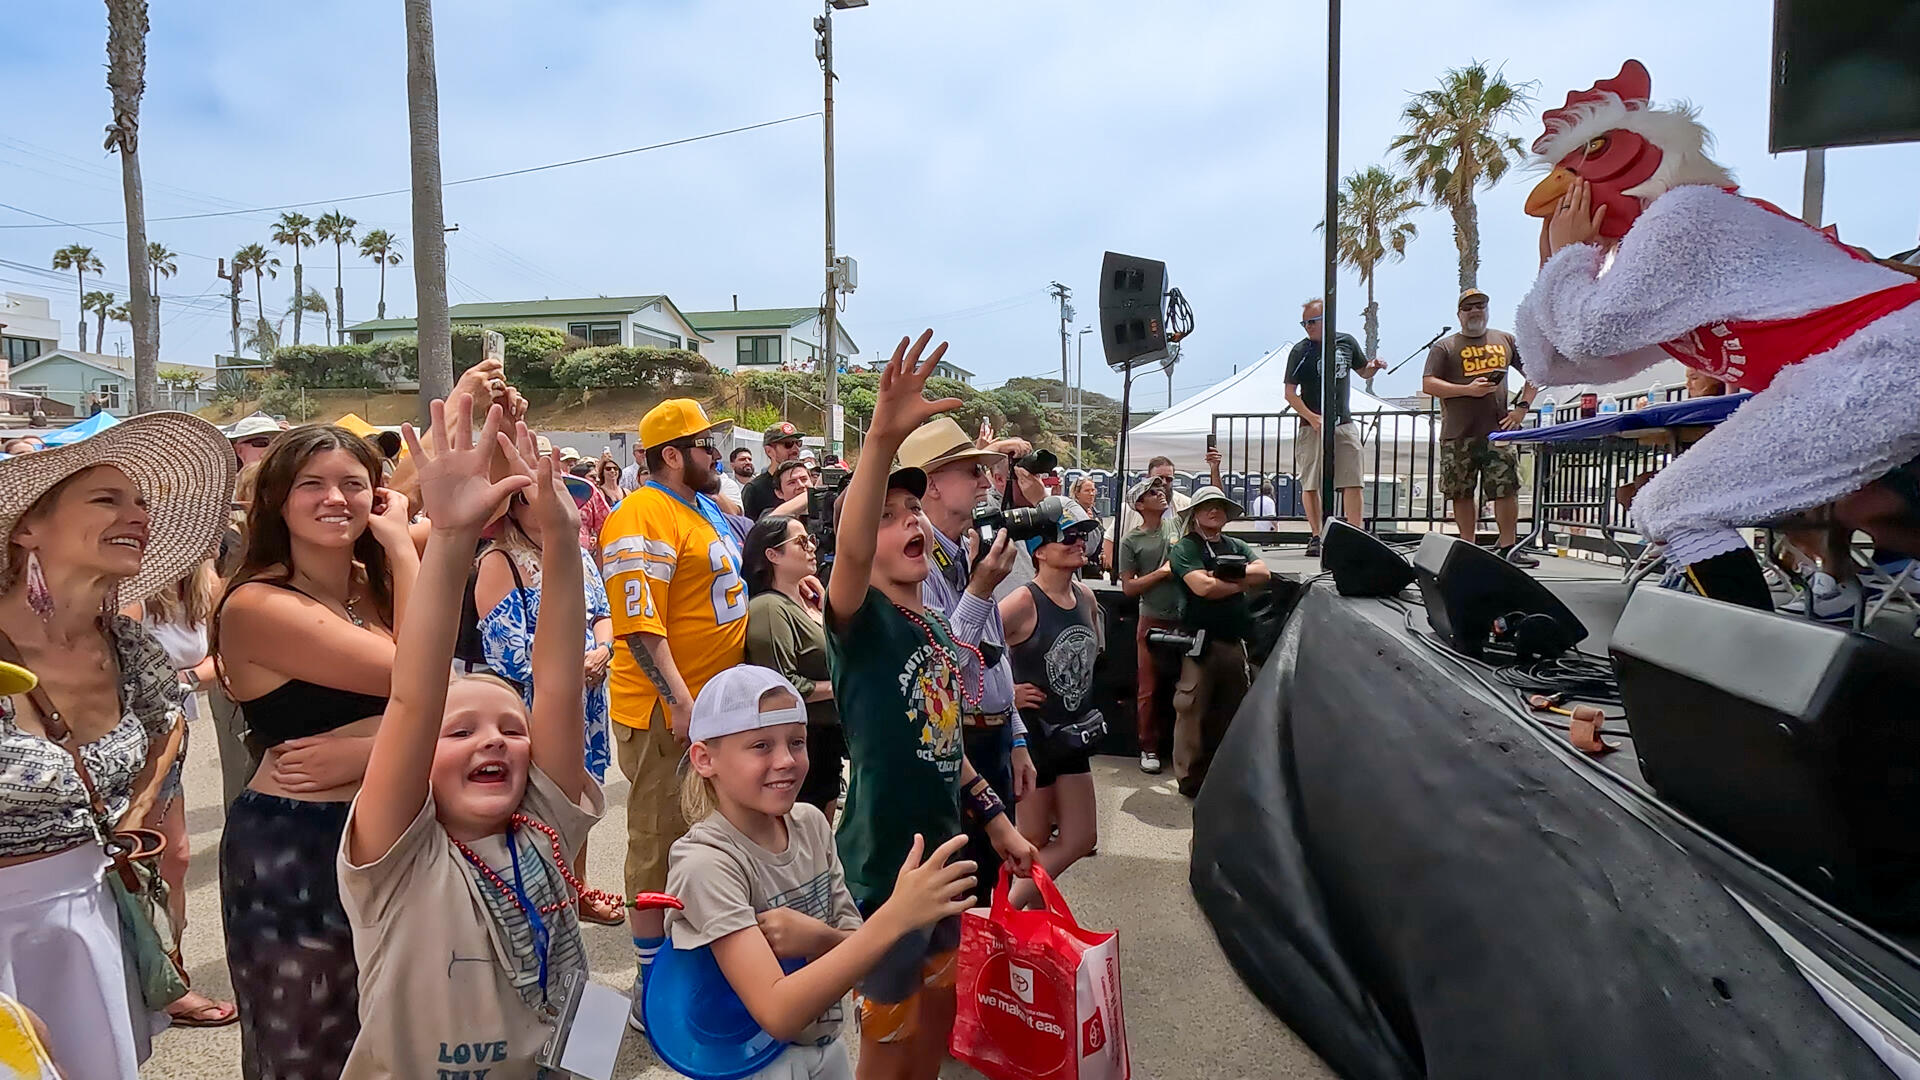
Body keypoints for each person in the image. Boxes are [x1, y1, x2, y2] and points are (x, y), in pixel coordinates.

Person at [339, 399, 618, 1079]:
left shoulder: (544, 829)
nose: (493, 740)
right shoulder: (395, 857)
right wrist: (454, 537)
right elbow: (412, 694)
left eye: (509, 730)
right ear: (419, 760)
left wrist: (560, 537)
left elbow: (554, 684)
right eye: (460, 730)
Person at [823, 330, 1037, 1079]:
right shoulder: (862, 623)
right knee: (887, 1042)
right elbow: (850, 555)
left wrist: (1000, 823)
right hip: (886, 878)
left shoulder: (935, 630)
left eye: (912, 508)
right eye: (886, 515)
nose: (909, 521)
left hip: (947, 866)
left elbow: (945, 750)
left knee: (936, 1035)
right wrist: (881, 435)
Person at [0, 411, 233, 1077]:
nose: (137, 515)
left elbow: (171, 724)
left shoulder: (128, 648)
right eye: (107, 499)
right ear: (26, 529)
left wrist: (140, 808)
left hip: (90, 923)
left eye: (142, 503)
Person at [214, 424, 415, 1080]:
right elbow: (418, 679)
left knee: (402, 1032)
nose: (337, 498)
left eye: (354, 484)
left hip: (391, 834)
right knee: (308, 1044)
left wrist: (369, 752)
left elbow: (453, 708)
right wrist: (407, 554)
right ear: (275, 499)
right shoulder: (258, 605)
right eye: (312, 485)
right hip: (299, 849)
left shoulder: (369, 580)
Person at [667, 666, 978, 1080]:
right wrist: (895, 917)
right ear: (705, 759)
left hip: (824, 1044)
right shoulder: (706, 862)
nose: (786, 761)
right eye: (760, 745)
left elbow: (861, 957)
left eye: (797, 742)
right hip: (748, 1063)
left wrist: (820, 938)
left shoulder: (810, 823)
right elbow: (779, 1012)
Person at [598, 397, 750, 1030]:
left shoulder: (702, 506)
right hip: (668, 713)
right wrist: (681, 702)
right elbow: (638, 624)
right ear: (672, 454)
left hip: (714, 705)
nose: (714, 454)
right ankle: (650, 975)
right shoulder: (641, 513)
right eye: (704, 445)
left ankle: (698, 954)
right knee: (659, 840)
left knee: (709, 836)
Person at [896, 413, 1038, 906]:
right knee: (963, 897)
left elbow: (993, 653)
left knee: (992, 888)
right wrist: (979, 589)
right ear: (931, 484)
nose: (984, 481)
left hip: (990, 735)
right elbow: (938, 669)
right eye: (971, 471)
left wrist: (1016, 735)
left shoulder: (962, 550)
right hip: (959, 742)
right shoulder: (912, 560)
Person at [475, 467, 621, 925]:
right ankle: (546, 896)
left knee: (582, 793)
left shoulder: (578, 555)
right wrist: (572, 668)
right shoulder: (501, 562)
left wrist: (603, 648)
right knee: (540, 801)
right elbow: (507, 652)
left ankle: (576, 888)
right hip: (537, 704)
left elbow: (602, 612)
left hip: (587, 697)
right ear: (515, 507)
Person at [122, 557, 240, 1028]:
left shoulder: (199, 579)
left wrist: (184, 679)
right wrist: (187, 677)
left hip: (168, 735)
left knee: (175, 858)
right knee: (140, 860)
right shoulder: (129, 587)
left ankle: (168, 975)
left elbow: (224, 655)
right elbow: (122, 669)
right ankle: (155, 982)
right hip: (124, 741)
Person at [1001, 518, 1103, 908]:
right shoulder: (1022, 602)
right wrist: (1007, 692)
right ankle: (1009, 917)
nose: (1078, 543)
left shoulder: (1087, 598)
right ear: (1040, 551)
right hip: (1033, 738)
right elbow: (965, 651)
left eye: (1081, 537)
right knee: (1034, 842)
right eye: (1067, 538)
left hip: (1073, 733)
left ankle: (1013, 915)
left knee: (1081, 838)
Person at [1423, 288, 1540, 566]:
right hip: (1457, 432)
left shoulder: (1506, 340)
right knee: (1461, 491)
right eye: (1468, 307)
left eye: (1480, 305)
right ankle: (1468, 547)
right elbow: (1429, 383)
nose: (1475, 311)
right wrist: (1466, 390)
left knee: (1505, 488)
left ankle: (1508, 546)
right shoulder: (1445, 347)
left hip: (1499, 430)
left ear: (1487, 309)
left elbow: (1535, 373)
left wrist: (1521, 408)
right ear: (1459, 313)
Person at [1168, 486, 1270, 798]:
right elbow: (1202, 588)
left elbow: (1263, 573)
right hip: (1199, 642)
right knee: (1192, 711)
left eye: (1219, 506)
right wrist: (1240, 583)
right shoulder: (1185, 548)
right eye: (1207, 506)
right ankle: (1189, 780)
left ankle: (1224, 775)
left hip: (1233, 642)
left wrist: (1221, 578)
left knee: (1232, 709)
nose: (1214, 511)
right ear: (1195, 514)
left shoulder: (1236, 544)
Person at [743, 515, 844, 819]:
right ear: (772, 555)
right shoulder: (769, 609)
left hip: (827, 738)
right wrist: (842, 686)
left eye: (811, 539)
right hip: (802, 738)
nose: (811, 547)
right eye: (800, 542)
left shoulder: (810, 600)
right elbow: (782, 685)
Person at [1284, 298, 1384, 557]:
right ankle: (1316, 534)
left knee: (1353, 478)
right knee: (1310, 481)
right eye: (1304, 323)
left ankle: (1355, 533)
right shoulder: (1300, 351)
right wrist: (1312, 417)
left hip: (1344, 422)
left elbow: (1363, 372)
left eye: (1312, 322)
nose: (1308, 327)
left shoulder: (1346, 342)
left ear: (1326, 320)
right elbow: (1290, 393)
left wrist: (1374, 366)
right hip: (1311, 425)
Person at [1117, 478, 1184, 774]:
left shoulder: (1177, 525)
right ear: (1140, 504)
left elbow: (1212, 502)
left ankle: (1182, 749)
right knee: (1150, 687)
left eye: (1161, 491)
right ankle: (1149, 747)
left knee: (1188, 685)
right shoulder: (1131, 541)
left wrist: (1215, 469)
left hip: (1184, 616)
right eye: (1152, 493)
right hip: (1152, 618)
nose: (1161, 495)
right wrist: (1162, 573)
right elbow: (1129, 588)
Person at [744, 422, 808, 520]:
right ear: (769, 451)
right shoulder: (754, 489)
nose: (795, 449)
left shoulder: (807, 481)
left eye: (798, 443)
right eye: (788, 444)